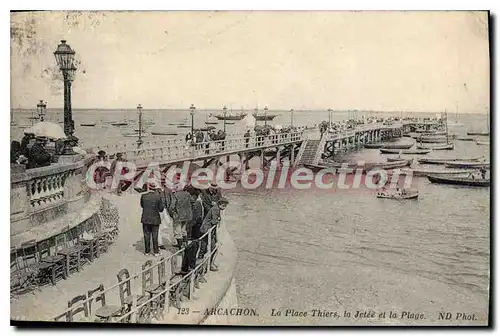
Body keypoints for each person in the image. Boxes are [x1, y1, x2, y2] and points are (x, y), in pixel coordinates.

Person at [200, 197, 229, 271]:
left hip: (205, 229)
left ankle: (204, 264)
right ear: (220, 204)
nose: (224, 207)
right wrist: (219, 220)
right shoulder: (216, 209)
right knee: (213, 248)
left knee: (203, 248)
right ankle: (209, 265)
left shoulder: (216, 208)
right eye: (224, 205)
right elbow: (214, 222)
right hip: (207, 230)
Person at [140, 183, 165, 256]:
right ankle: (156, 251)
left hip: (145, 218)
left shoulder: (143, 196)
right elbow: (161, 209)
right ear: (155, 188)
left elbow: (142, 205)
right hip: (155, 218)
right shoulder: (158, 197)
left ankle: (147, 251)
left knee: (146, 235)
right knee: (155, 235)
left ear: (149, 188)